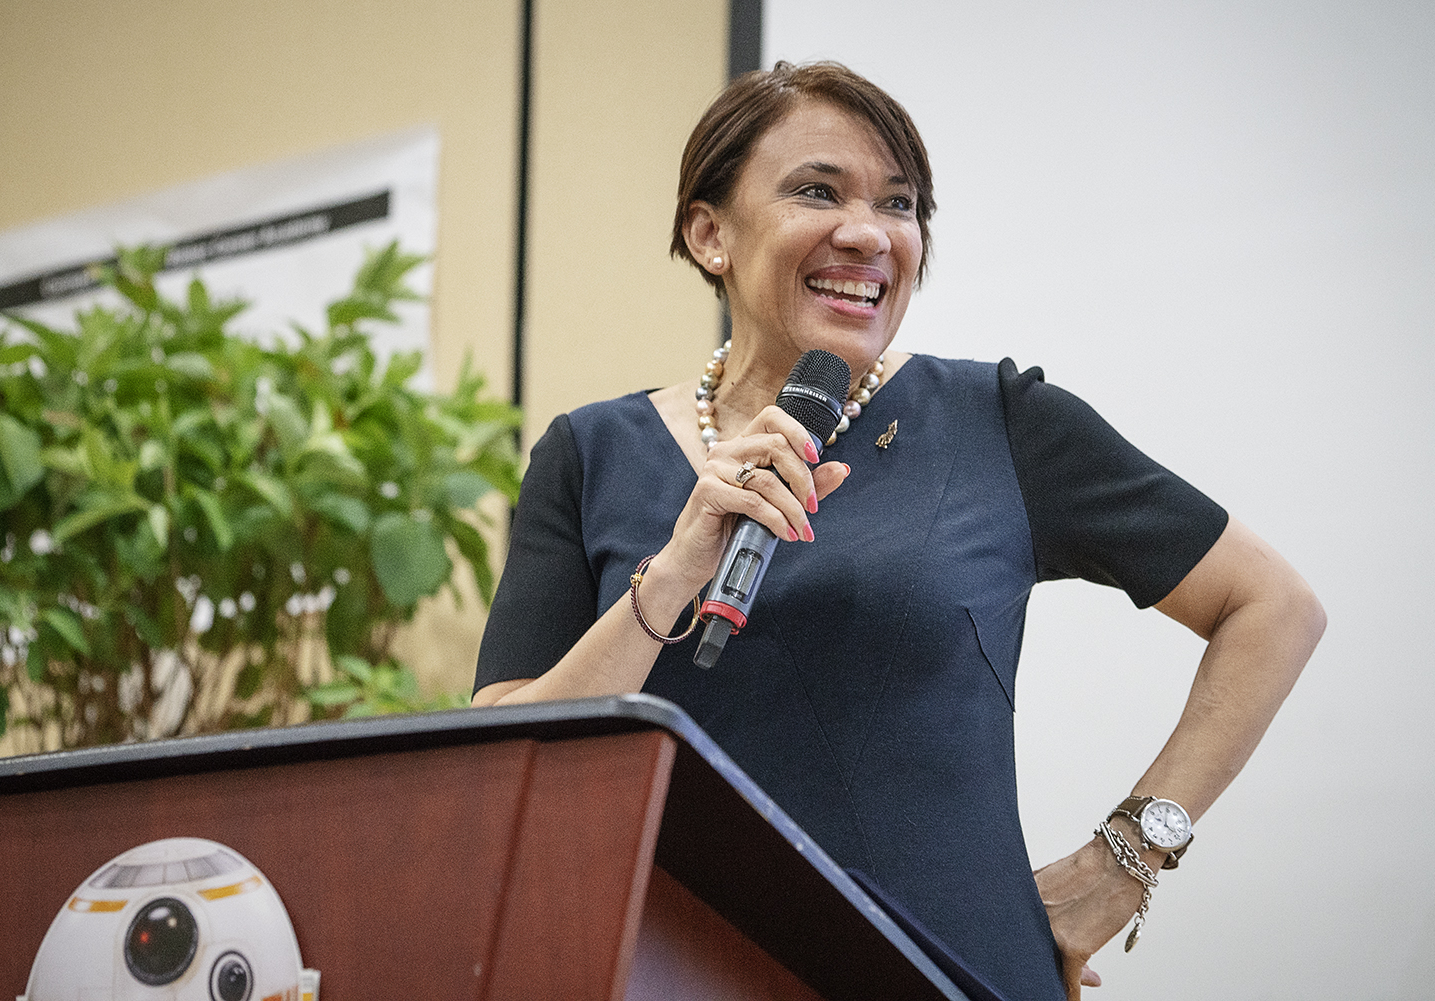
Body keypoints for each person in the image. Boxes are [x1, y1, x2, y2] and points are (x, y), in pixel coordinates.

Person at [473, 61, 1325, 1001]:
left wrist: (1121, 862)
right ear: (709, 232)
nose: (868, 234)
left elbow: (1274, 607)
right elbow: (510, 758)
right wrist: (675, 572)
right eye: (816, 191)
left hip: (951, 972)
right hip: (665, 970)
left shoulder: (994, 418)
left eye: (901, 204)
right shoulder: (591, 453)